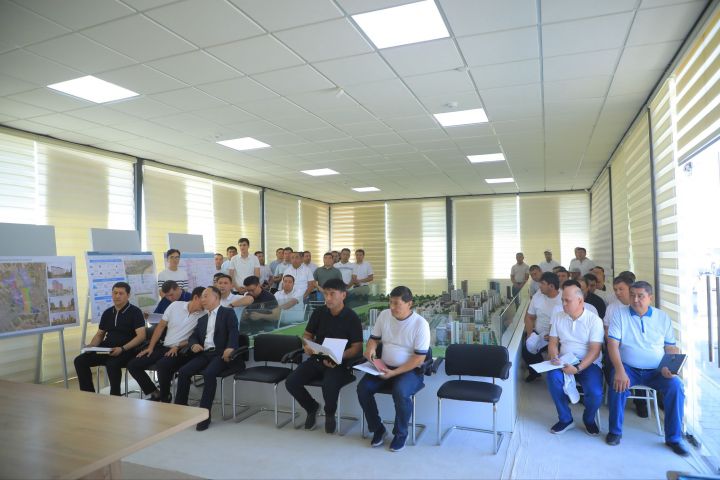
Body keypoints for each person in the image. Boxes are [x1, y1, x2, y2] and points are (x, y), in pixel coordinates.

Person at [606, 281, 689, 456]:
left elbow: (670, 347)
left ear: (650, 297)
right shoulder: (620, 314)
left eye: (640, 296)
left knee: (676, 386)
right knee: (617, 384)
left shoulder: (662, 317)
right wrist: (620, 370)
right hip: (629, 368)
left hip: (657, 370)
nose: (635, 299)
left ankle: (674, 438)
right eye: (632, 295)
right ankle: (615, 431)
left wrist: (669, 367)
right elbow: (612, 345)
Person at [356, 286, 431, 452]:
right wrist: (371, 349)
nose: (392, 307)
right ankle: (378, 429)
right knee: (363, 389)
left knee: (400, 392)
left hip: (410, 370)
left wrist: (394, 373)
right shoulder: (384, 315)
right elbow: (373, 339)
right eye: (390, 302)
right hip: (384, 367)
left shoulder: (420, 324)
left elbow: (419, 358)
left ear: (409, 304)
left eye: (397, 303)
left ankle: (401, 434)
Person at [285, 278, 363, 434]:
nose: (328, 298)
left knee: (329, 385)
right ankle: (312, 407)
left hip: (340, 363)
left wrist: (338, 356)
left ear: (343, 295)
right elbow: (307, 335)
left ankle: (329, 413)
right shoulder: (319, 313)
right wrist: (307, 345)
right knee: (291, 382)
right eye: (326, 294)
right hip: (318, 358)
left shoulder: (352, 317)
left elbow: (357, 348)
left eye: (332, 294)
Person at [174, 286, 240, 431]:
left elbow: (234, 331)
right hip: (204, 354)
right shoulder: (203, 318)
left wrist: (231, 347)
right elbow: (193, 337)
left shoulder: (227, 313)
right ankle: (180, 410)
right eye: (202, 297)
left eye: (205, 296)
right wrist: (193, 345)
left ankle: (204, 416)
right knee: (183, 371)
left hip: (220, 354)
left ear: (216, 297)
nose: (202, 299)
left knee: (209, 374)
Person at [127, 286, 205, 402]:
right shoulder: (175, 305)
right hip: (164, 346)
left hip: (182, 350)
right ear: (196, 297)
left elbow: (196, 338)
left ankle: (165, 397)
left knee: (162, 364)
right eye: (204, 298)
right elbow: (160, 326)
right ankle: (155, 392)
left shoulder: (204, 314)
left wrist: (178, 346)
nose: (206, 302)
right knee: (133, 365)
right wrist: (151, 347)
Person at [546, 285, 604, 435]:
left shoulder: (594, 320)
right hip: (564, 360)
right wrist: (554, 356)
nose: (563, 304)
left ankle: (589, 419)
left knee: (596, 393)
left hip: (588, 363)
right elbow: (553, 343)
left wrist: (578, 368)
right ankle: (566, 419)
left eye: (567, 300)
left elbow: (595, 351)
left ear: (580, 301)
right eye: (562, 300)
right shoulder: (558, 316)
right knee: (552, 377)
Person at [74, 282, 145, 396]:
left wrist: (122, 348)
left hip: (127, 350)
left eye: (121, 293)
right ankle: (88, 395)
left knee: (112, 364)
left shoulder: (135, 312)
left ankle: (115, 396)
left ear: (128, 295)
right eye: (115, 293)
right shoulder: (107, 313)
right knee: (79, 361)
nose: (117, 296)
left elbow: (141, 336)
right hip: (107, 349)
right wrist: (91, 347)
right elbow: (100, 335)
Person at [523, 272, 562, 382]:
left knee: (558, 353)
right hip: (539, 333)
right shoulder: (538, 295)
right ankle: (535, 372)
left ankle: (556, 377)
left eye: (543, 284)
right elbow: (529, 317)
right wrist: (530, 335)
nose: (539, 286)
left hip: (558, 336)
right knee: (526, 350)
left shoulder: (563, 298)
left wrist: (554, 337)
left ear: (551, 286)